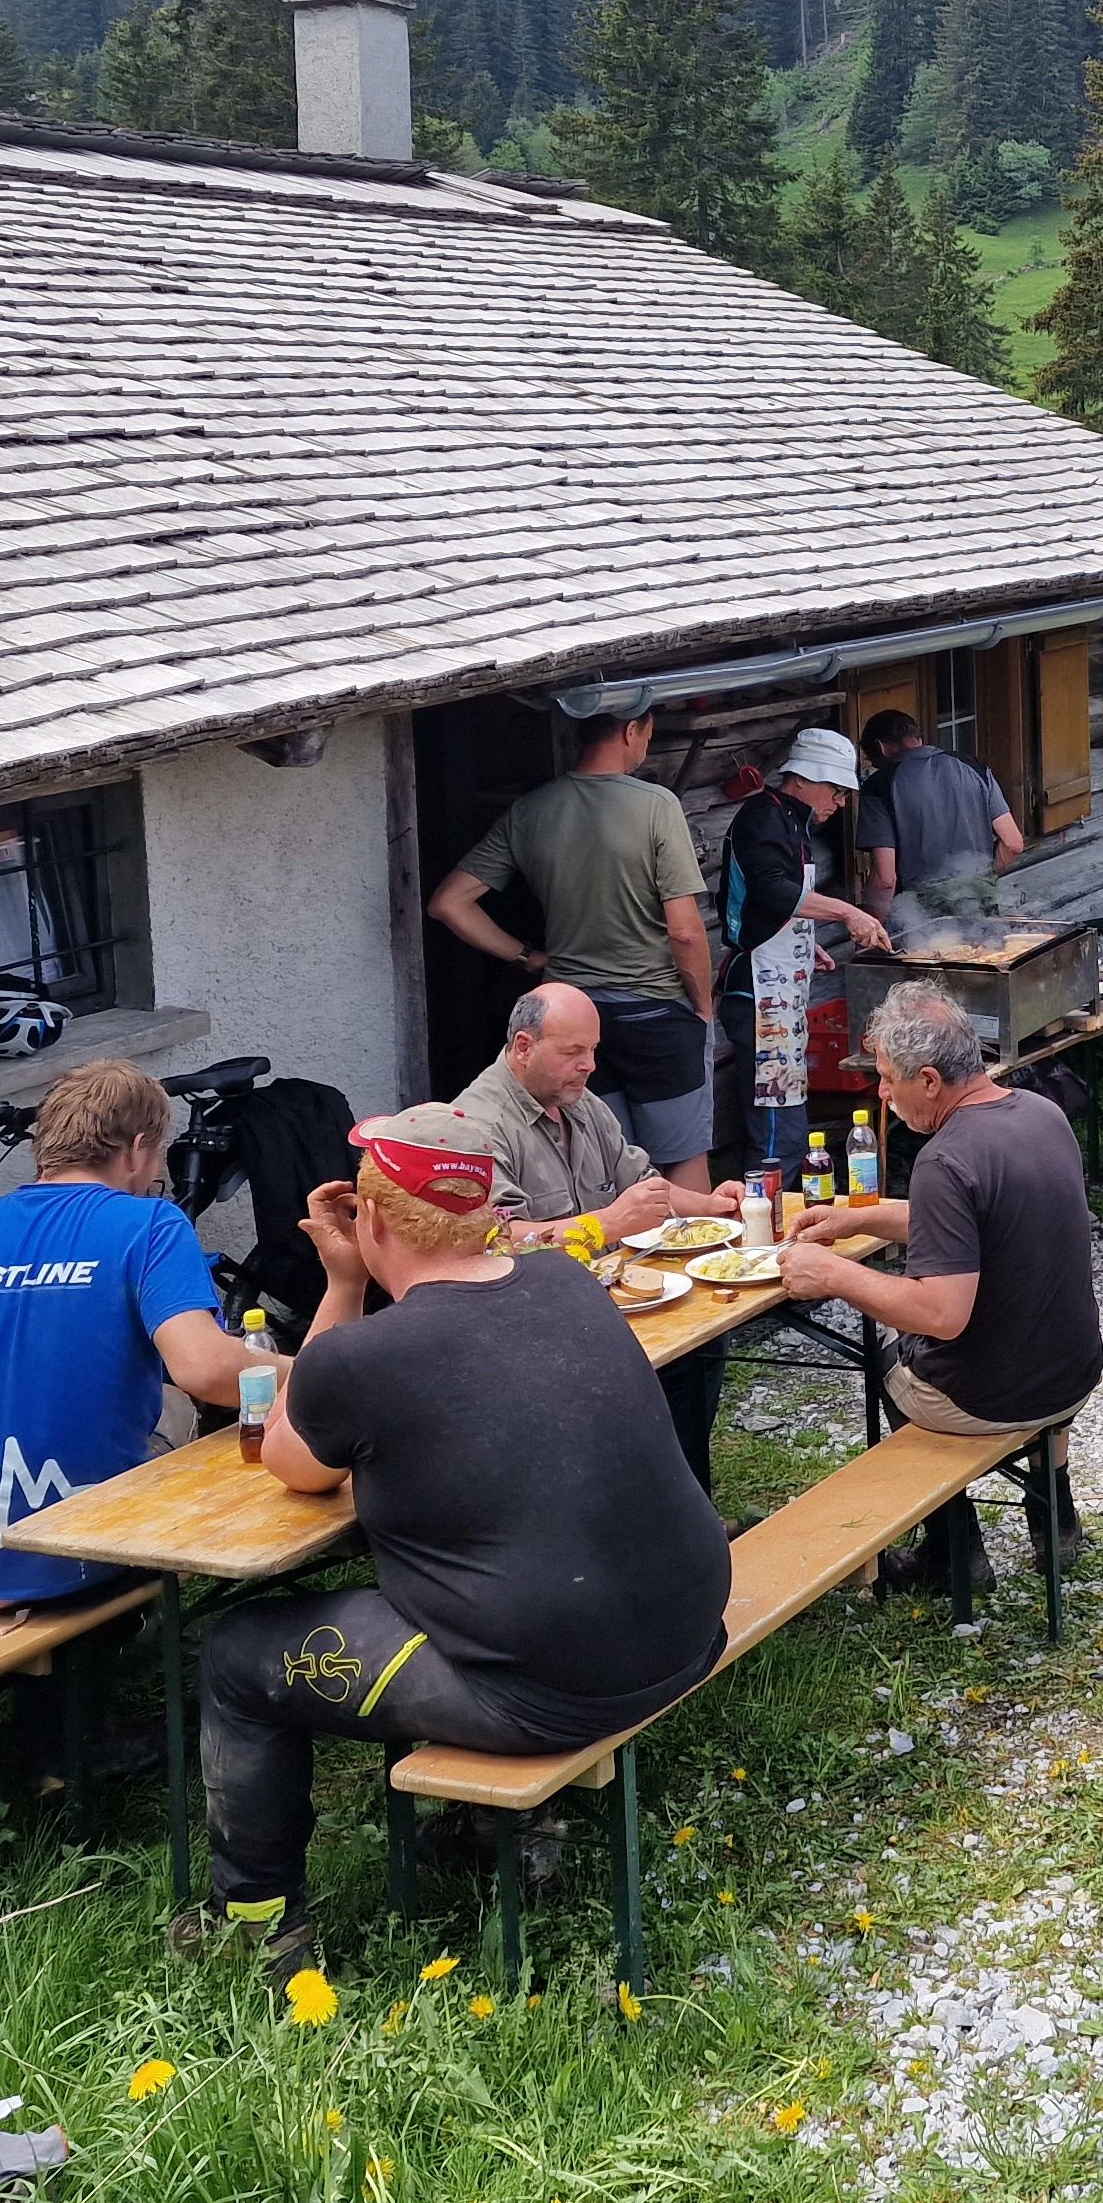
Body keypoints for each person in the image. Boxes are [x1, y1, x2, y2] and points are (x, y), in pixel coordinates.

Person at [193, 1104, 730, 1968]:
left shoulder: (358, 1359)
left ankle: (254, 1921)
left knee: (235, 1653)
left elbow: (295, 1464)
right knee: (490, 1571)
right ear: (486, 1211)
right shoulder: (564, 1280)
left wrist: (341, 1285)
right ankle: (487, 1830)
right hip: (688, 1629)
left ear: (371, 1218)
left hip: (555, 1691)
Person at [0, 1058, 256, 1610]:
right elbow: (207, 1371)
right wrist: (311, 1372)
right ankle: (145, 1619)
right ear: (138, 1148)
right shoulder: (150, 1224)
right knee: (184, 1405)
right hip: (81, 1557)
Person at [784, 982, 1103, 1591]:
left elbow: (941, 1313)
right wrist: (861, 1218)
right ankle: (1056, 1524)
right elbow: (984, 1218)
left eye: (887, 1078)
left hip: (998, 1398)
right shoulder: (1040, 1113)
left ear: (929, 1081)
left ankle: (953, 1559)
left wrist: (832, 1273)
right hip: (1073, 1374)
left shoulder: (945, 1158)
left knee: (887, 1362)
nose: (882, 1092)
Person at [456, 980, 746, 1490]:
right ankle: (656, 1501)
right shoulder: (478, 1125)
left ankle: (678, 1500)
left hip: (609, 1295)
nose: (589, 1065)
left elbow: (644, 1185)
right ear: (523, 1046)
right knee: (668, 1365)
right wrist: (607, 1224)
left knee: (703, 1340)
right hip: (533, 1314)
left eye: (593, 1051)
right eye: (574, 1052)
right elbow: (500, 1241)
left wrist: (714, 1206)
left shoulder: (579, 1102)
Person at [430, 708, 720, 1190]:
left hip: (572, 1016)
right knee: (682, 1157)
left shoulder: (531, 810)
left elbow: (449, 903)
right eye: (648, 734)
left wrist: (527, 956)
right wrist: (704, 1008)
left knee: (607, 1162)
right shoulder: (656, 805)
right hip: (655, 1013)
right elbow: (686, 932)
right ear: (631, 731)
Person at [718, 726, 895, 1172]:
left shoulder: (791, 821)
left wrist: (803, 941)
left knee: (787, 1116)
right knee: (776, 1130)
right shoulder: (763, 817)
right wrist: (848, 913)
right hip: (757, 992)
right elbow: (772, 889)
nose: (840, 802)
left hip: (779, 988)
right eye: (836, 790)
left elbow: (769, 905)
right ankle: (770, 1210)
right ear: (802, 778)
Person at [857, 707, 1023, 926]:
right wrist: (980, 880)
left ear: (881, 747)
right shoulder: (973, 767)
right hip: (980, 905)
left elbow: (885, 879)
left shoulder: (879, 786)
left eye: (873, 761)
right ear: (918, 738)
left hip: (919, 918)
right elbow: (1013, 844)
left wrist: (872, 926)